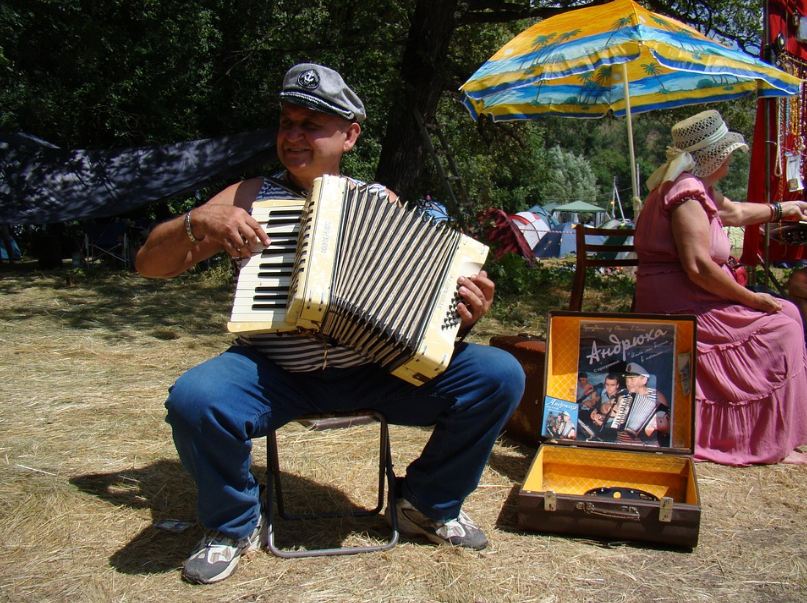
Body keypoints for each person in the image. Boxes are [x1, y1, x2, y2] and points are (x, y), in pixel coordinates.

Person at [135, 63, 525, 584]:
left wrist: (462, 315)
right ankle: (232, 525)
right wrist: (194, 222)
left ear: (349, 135)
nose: (294, 136)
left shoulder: (381, 203)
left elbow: (412, 306)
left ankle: (428, 504)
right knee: (195, 398)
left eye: (311, 124)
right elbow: (149, 265)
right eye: (287, 123)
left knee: (499, 374)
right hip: (274, 373)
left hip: (372, 371)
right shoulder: (247, 196)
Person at [634, 109, 807, 465]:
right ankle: (752, 439)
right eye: (728, 156)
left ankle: (771, 434)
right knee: (783, 326)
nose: (730, 164)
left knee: (789, 311)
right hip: (682, 303)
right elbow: (699, 268)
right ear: (715, 156)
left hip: (688, 294)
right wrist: (752, 299)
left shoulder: (690, 187)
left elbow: (736, 213)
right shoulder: (686, 194)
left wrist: (783, 208)